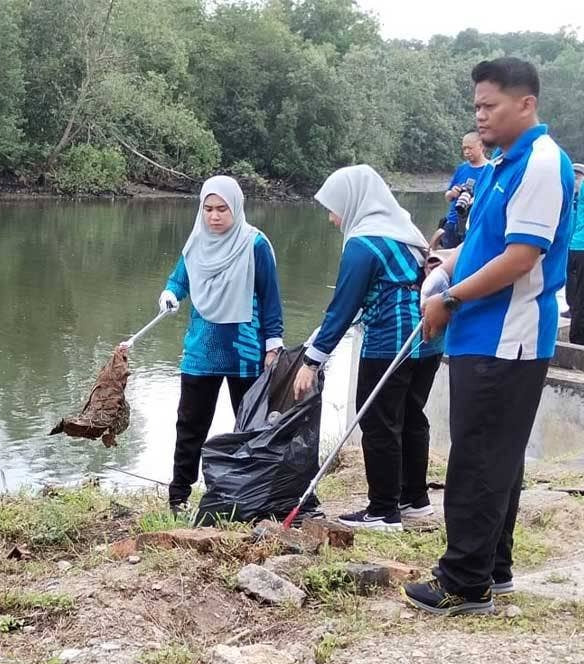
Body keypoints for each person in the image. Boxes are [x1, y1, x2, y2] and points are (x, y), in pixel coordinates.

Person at [407, 57, 574, 616]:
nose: (479, 116)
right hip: (483, 331)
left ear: (525, 104)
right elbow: (485, 243)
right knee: (496, 453)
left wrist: (448, 300)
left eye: (489, 105)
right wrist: (445, 263)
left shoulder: (544, 164)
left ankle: (463, 583)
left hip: (508, 336)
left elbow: (522, 257)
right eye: (476, 105)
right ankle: (491, 567)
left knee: (478, 457)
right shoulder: (502, 163)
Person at [292, 165, 442, 532]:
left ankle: (383, 510)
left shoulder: (364, 244)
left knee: (378, 420)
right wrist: (318, 338)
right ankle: (414, 499)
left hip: (391, 340)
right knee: (410, 415)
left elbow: (344, 307)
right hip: (429, 338)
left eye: (334, 207)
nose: (331, 217)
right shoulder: (404, 232)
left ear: (353, 202)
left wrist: (312, 360)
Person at [159, 176, 283, 514]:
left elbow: (271, 298)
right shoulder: (196, 242)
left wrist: (273, 343)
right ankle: (179, 495)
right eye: (208, 209)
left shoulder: (255, 244)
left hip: (245, 350)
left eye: (222, 209)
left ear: (236, 208)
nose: (214, 216)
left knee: (249, 429)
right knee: (190, 425)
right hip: (202, 350)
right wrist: (170, 295)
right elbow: (178, 281)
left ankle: (249, 495)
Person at [431, 131, 489, 250]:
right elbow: (447, 197)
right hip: (452, 223)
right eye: (464, 148)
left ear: (481, 146)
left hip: (474, 225)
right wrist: (453, 193)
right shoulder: (462, 168)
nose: (467, 152)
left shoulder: (490, 169)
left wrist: (473, 199)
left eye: (470, 148)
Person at [567, 163, 584, 344]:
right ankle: (578, 341)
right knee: (581, 298)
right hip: (581, 247)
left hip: (577, 246)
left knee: (579, 296)